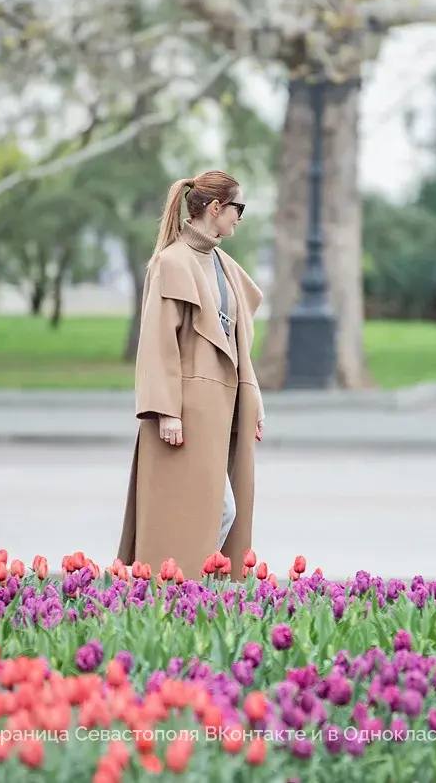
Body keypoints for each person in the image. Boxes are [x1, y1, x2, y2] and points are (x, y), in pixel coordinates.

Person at [117, 170, 265, 580]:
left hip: (221, 408)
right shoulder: (171, 263)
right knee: (204, 511)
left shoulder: (222, 264)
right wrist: (166, 412)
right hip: (186, 412)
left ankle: (192, 593)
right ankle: (182, 592)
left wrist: (254, 401)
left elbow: (238, 342)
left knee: (217, 509)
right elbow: (157, 343)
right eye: (239, 208)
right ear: (216, 208)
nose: (240, 217)